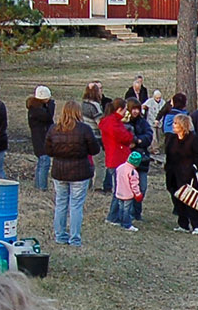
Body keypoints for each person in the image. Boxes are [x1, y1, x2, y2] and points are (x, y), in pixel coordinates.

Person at [46, 101, 101, 246]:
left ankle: (60, 236)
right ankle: (74, 238)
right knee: (76, 205)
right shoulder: (84, 129)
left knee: (61, 203)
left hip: (59, 171)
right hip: (79, 171)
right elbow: (95, 149)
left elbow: (48, 150)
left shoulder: (54, 129)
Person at [165, 114, 198, 234]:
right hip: (174, 174)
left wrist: (193, 169)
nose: (173, 125)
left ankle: (197, 225)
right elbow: (169, 155)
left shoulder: (193, 139)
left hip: (189, 175)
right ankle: (183, 224)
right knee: (178, 199)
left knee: (191, 199)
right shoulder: (172, 139)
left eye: (176, 123)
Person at [127, 99, 155, 221]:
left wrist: (138, 140)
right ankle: (128, 212)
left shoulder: (142, 123)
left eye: (137, 109)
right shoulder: (124, 123)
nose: (135, 111)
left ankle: (137, 212)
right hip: (127, 160)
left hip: (142, 159)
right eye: (133, 108)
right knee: (127, 188)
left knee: (141, 187)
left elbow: (149, 135)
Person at [26, 87, 56, 190]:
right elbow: (48, 117)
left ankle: (38, 185)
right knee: (44, 163)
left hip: (39, 139)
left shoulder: (35, 108)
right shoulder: (37, 111)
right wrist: (51, 106)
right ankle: (42, 187)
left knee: (41, 163)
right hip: (41, 140)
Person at [108, 149, 143, 232]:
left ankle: (120, 221)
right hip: (128, 194)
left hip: (119, 192)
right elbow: (134, 185)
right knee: (127, 210)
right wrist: (138, 194)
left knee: (121, 208)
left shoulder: (120, 167)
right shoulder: (133, 172)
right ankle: (127, 224)